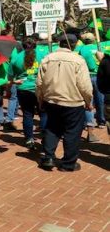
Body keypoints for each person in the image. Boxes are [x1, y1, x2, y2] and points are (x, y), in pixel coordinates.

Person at [37, 34, 92, 172]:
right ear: (73, 45)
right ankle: (68, 163)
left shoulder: (47, 58)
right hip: (73, 101)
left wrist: (41, 99)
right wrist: (88, 101)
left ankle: (49, 157)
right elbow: (85, 85)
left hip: (52, 100)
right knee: (72, 132)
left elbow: (39, 83)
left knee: (52, 128)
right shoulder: (78, 60)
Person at [11, 38, 46, 149]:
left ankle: (29, 139)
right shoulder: (42, 55)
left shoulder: (16, 57)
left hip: (23, 88)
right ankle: (46, 137)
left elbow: (11, 75)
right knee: (43, 113)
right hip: (39, 88)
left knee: (28, 114)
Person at [77, 32, 103, 142]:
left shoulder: (82, 49)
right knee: (100, 99)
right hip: (98, 76)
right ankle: (101, 121)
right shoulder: (99, 47)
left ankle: (89, 125)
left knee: (88, 102)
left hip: (87, 77)